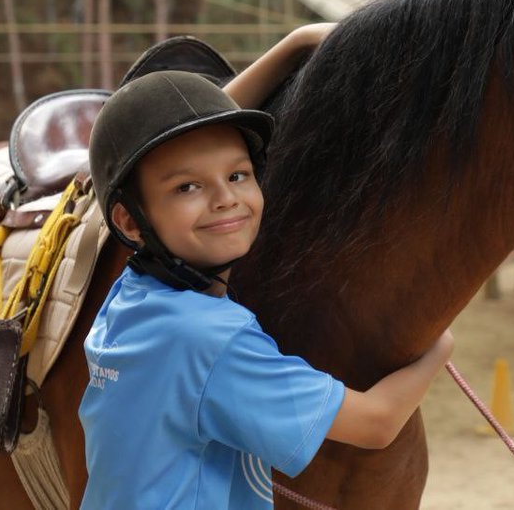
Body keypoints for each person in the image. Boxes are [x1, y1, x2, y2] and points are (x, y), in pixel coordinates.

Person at [79, 28, 454, 509]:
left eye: (238, 175)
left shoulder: (128, 298)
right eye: (187, 188)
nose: (225, 198)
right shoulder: (209, 338)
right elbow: (376, 424)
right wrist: (438, 343)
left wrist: (296, 44)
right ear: (130, 221)